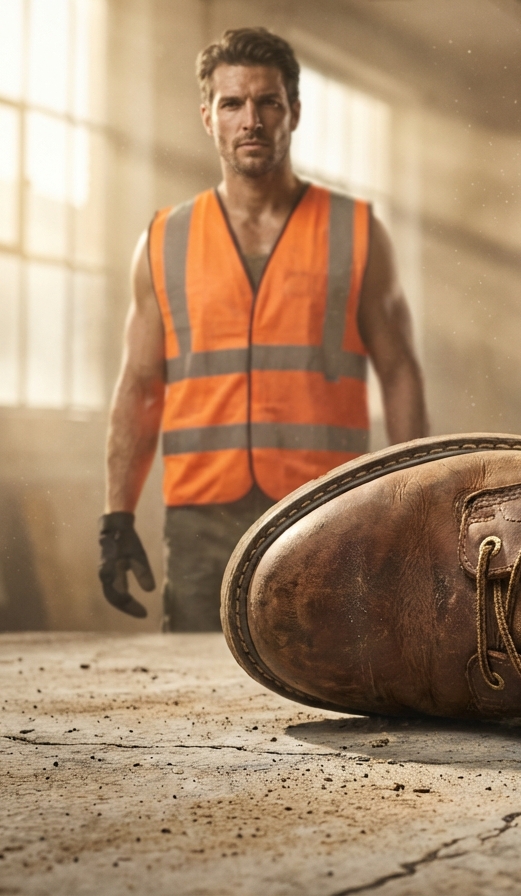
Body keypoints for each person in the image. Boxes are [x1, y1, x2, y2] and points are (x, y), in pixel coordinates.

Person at [99, 27, 428, 631]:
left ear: (293, 112)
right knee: (197, 700)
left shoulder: (355, 231)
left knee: (323, 684)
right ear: (208, 117)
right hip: (201, 521)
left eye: (267, 102)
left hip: (323, 508)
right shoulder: (164, 240)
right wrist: (116, 518)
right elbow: (139, 384)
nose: (251, 119)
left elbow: (399, 369)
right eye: (232, 104)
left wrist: (412, 505)